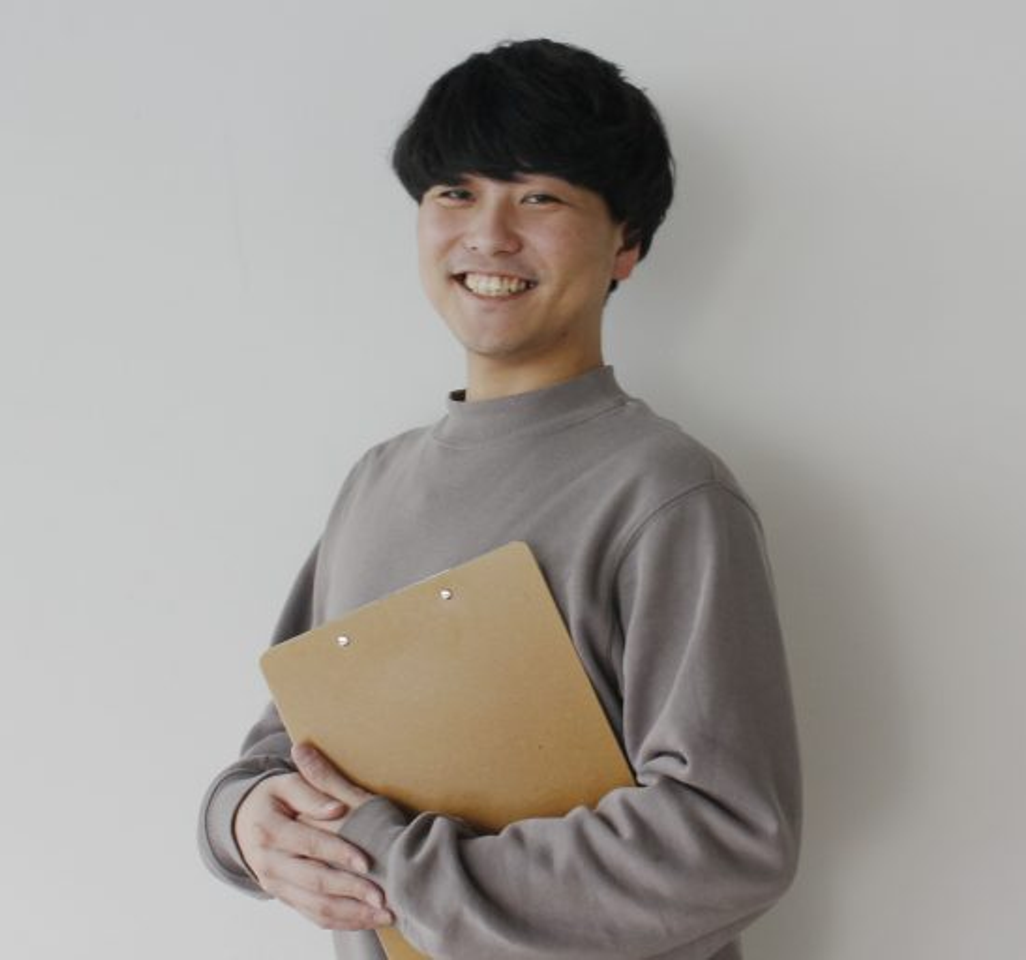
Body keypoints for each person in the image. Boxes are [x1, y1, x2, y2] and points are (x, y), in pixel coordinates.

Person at [198, 38, 801, 960]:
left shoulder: (667, 492)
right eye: (455, 192)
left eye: (540, 197)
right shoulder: (375, 482)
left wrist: (398, 865)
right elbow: (286, 748)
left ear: (626, 245)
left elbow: (728, 839)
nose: (488, 235)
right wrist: (240, 821)